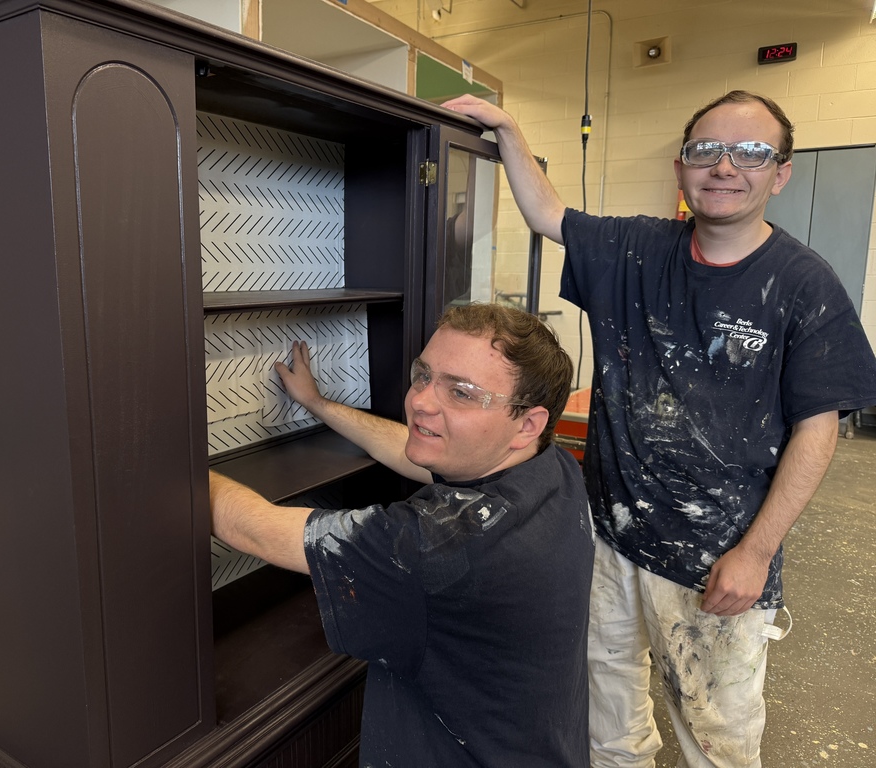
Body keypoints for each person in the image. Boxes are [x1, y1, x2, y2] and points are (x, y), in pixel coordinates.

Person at [440, 90, 876, 768]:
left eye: (752, 152)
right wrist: (506, 129)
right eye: (707, 150)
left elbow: (815, 432)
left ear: (780, 172)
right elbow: (549, 215)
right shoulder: (639, 249)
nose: (726, 166)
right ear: (682, 168)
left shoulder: (803, 286)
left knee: (718, 739)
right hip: (611, 539)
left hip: (716, 558)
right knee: (609, 718)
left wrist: (757, 554)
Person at [209, 303, 594, 767]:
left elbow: (256, 531)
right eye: (424, 375)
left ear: (526, 423)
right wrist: (319, 405)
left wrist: (164, 459)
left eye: (463, 393)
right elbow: (417, 450)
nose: (421, 401)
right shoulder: (548, 467)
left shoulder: (436, 547)